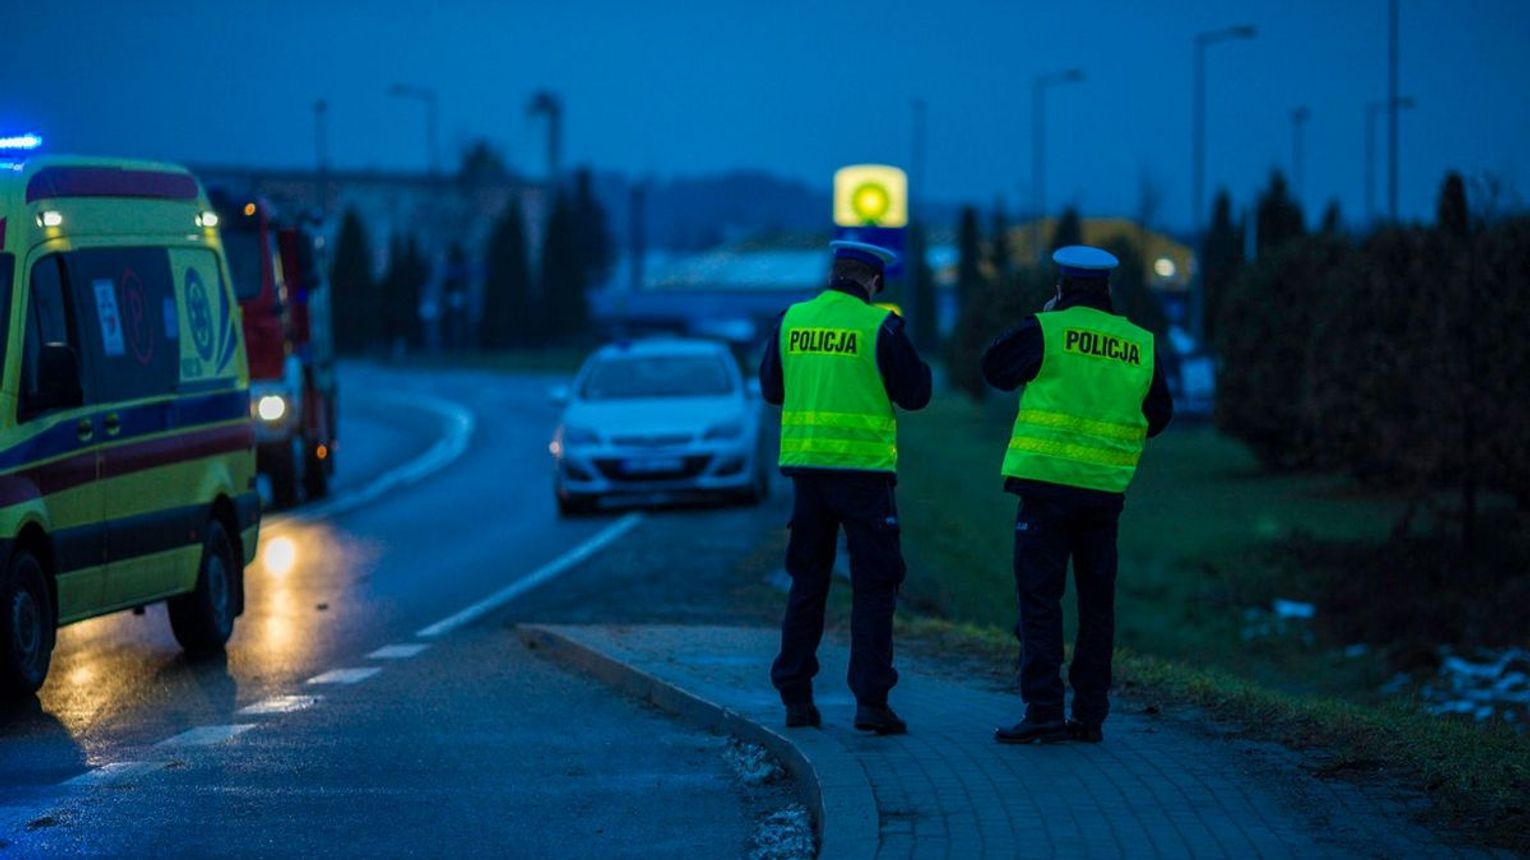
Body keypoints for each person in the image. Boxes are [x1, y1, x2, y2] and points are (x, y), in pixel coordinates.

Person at [982, 245, 1173, 744]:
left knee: (1041, 601)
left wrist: (1041, 319)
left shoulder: (1047, 331)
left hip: (1045, 490)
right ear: (1106, 289)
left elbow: (994, 368)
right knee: (1096, 605)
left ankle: (1043, 709)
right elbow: (1160, 416)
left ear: (1062, 288)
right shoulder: (1138, 343)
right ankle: (1089, 716)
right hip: (1102, 496)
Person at [759, 239, 932, 735]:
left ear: (836, 273)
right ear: (874, 282)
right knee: (874, 587)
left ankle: (796, 698)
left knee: (807, 584)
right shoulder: (880, 326)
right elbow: (917, 394)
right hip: (864, 478)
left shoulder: (793, 319)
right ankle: (871, 703)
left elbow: (772, 389)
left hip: (807, 476)